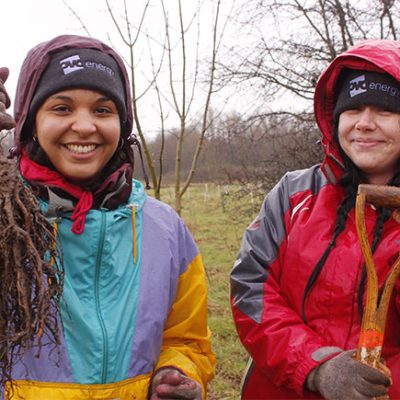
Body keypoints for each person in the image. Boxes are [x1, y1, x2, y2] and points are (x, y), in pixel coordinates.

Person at [0, 34, 215, 399]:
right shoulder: (7, 220)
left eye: (103, 110)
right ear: (29, 122)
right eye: (62, 108)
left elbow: (186, 339)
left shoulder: (165, 229)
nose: (85, 126)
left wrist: (178, 370)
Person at [230, 39, 400, 399]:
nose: (364, 124)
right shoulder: (294, 195)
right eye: (353, 110)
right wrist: (317, 366)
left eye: (385, 111)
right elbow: (251, 290)